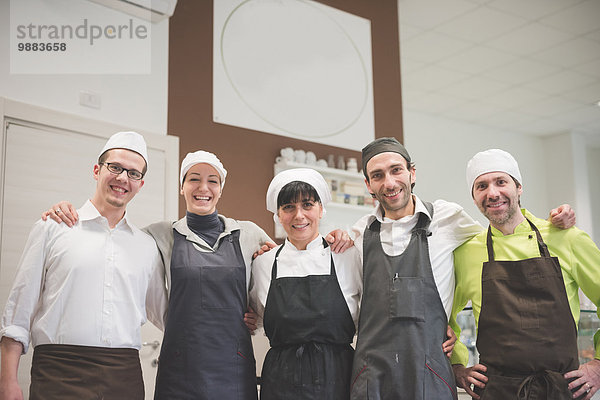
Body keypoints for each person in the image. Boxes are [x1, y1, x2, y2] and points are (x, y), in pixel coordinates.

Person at [43, 150, 352, 400]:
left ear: (221, 188)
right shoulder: (159, 235)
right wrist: (74, 212)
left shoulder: (248, 234)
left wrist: (338, 237)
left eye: (212, 180)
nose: (203, 188)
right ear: (182, 186)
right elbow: (113, 235)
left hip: (234, 367)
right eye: (194, 179)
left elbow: (287, 265)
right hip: (181, 367)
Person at [348, 137, 575, 400]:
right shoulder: (357, 234)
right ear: (368, 185)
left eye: (396, 170)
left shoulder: (448, 218)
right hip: (372, 377)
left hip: (429, 374)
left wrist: (550, 226)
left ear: (412, 173)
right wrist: (334, 238)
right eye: (377, 175)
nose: (389, 182)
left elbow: (503, 228)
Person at [0, 131, 163, 400]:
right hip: (58, 373)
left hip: (124, 379)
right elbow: (18, 313)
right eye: (115, 167)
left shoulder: (146, 246)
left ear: (140, 184)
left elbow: (168, 315)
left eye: (133, 173)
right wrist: (7, 382)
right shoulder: (52, 228)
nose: (123, 178)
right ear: (97, 170)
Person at [449, 148, 600, 400]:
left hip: (561, 388)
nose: (493, 193)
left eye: (501, 182)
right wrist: (455, 365)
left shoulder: (566, 237)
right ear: (474, 198)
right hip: (496, 390)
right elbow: (440, 314)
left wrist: (598, 364)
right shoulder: (466, 253)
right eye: (481, 186)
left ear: (519, 187)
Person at [250, 168, 362, 399]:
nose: (299, 215)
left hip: (339, 379)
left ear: (321, 210)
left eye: (308, 205)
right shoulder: (263, 264)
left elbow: (370, 319)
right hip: (281, 382)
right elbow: (256, 320)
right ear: (278, 215)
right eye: (288, 207)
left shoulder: (347, 256)